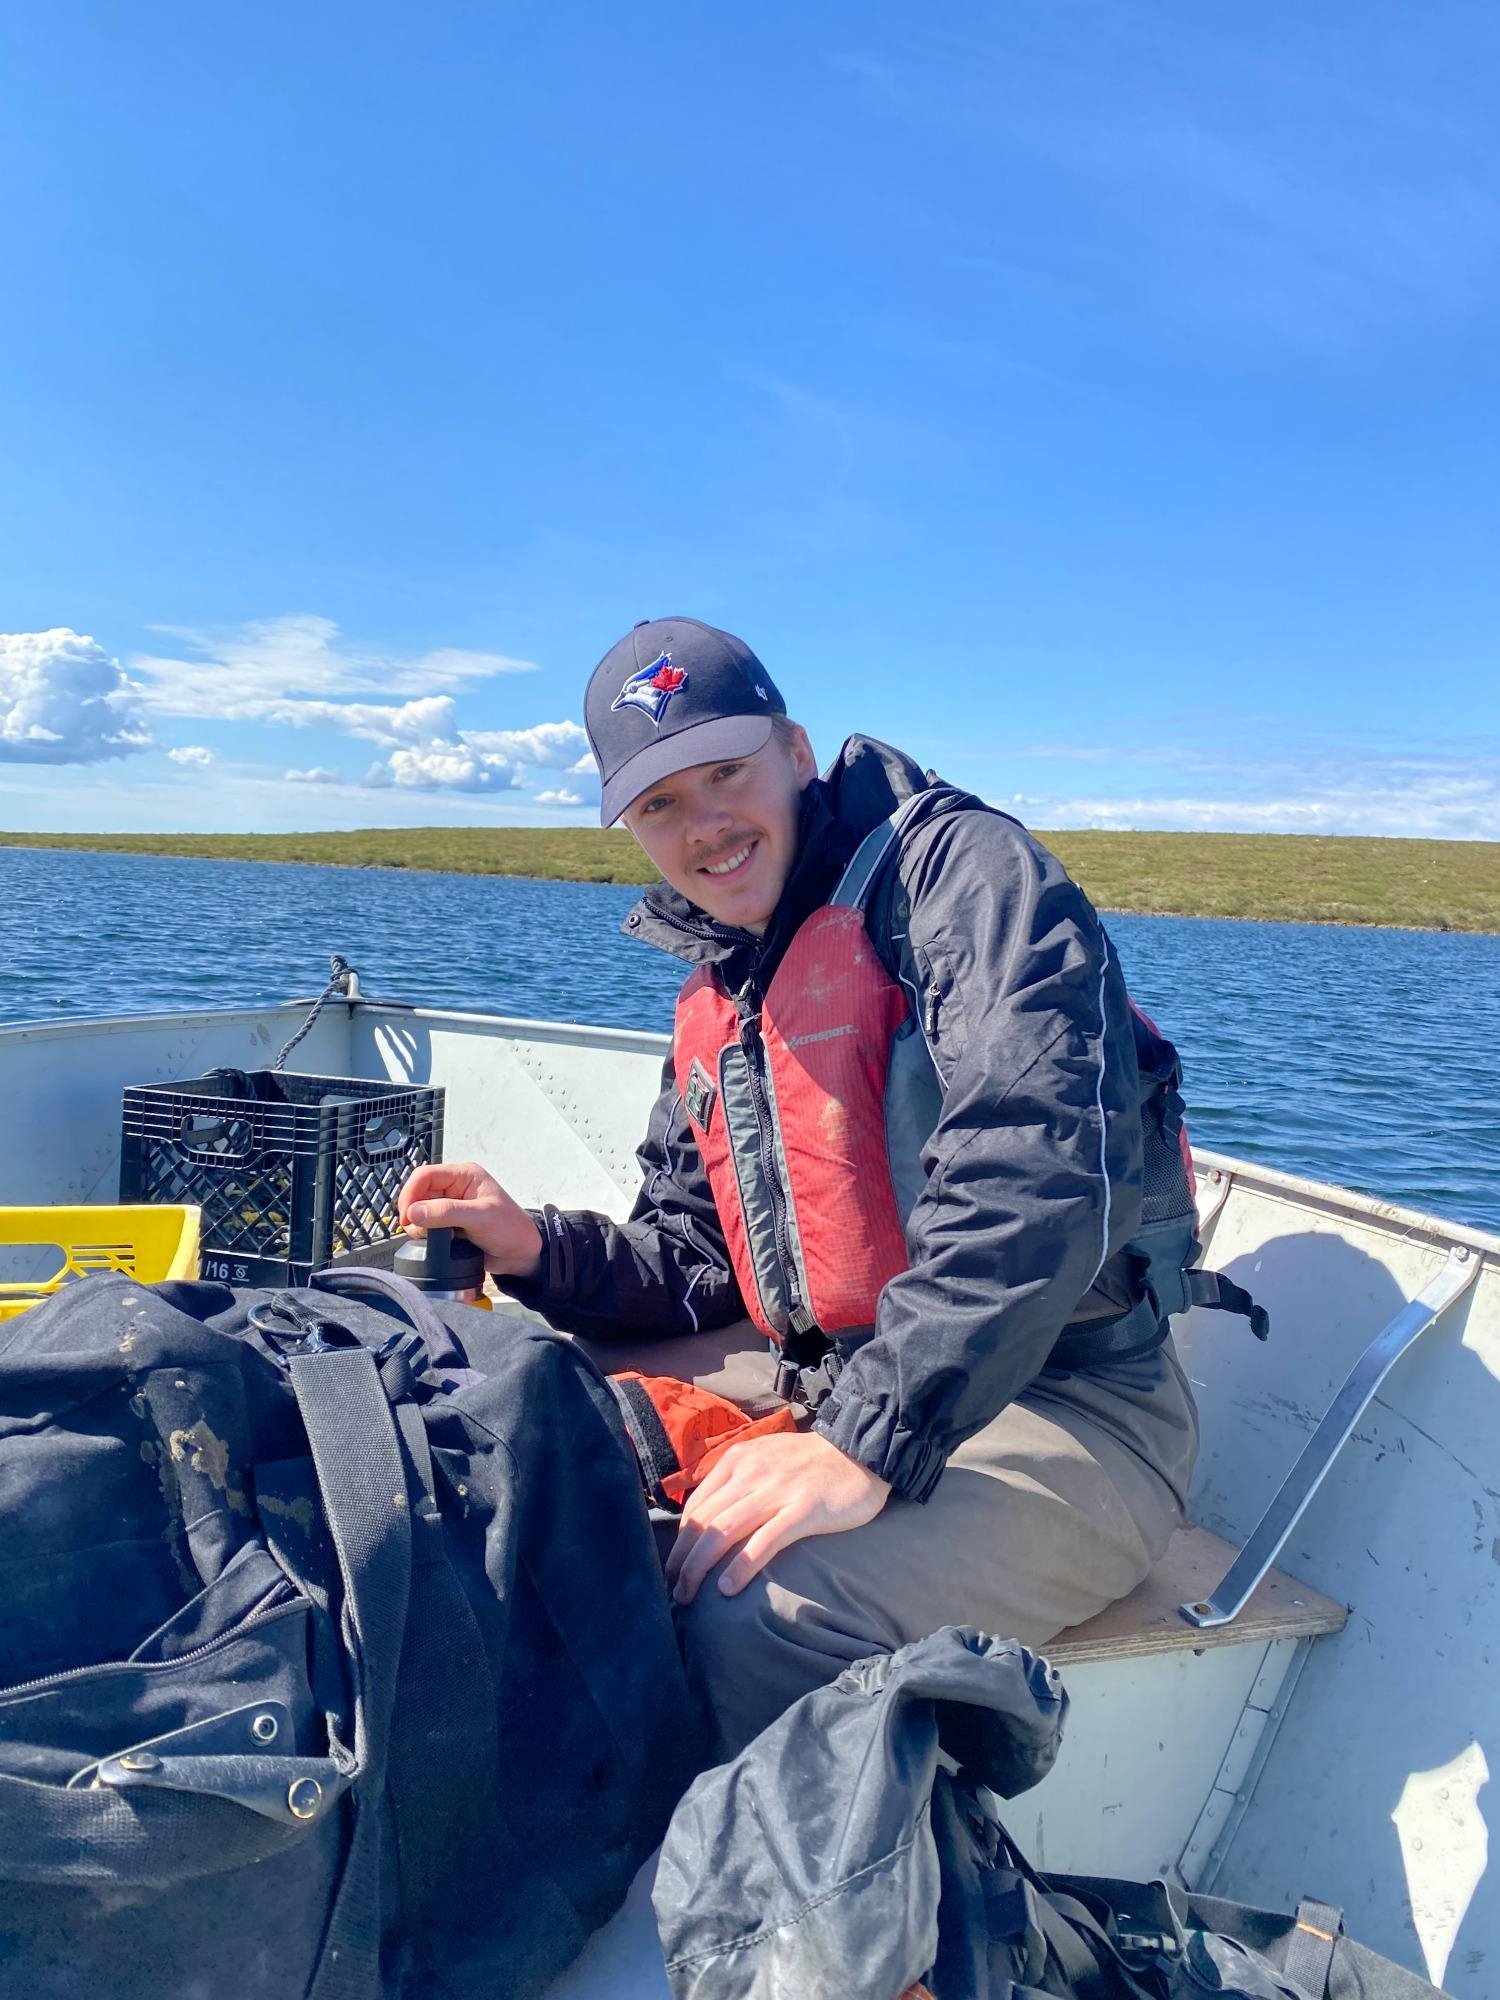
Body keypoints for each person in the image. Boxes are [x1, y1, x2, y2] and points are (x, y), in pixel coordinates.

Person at [398, 615, 1202, 1757]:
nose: (704, 825)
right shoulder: (725, 983)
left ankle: (734, 1916)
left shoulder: (965, 879)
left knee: (750, 1609)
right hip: (838, 1375)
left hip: (1065, 1401)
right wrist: (533, 1244)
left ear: (797, 748)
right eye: (660, 803)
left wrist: (862, 1443)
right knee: (518, 1438)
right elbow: (692, 1252)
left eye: (725, 771)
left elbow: (1037, 1162)